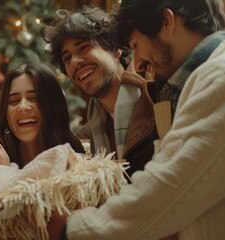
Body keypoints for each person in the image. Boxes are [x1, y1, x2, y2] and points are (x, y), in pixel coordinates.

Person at [48, 0, 225, 239]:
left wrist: (72, 229)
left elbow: (170, 188)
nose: (138, 62)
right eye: (67, 58)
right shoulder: (192, 85)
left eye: (136, 45)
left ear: (167, 22)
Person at [42, 6, 157, 175]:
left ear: (116, 49)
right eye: (67, 58)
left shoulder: (153, 97)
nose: (74, 61)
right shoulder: (88, 136)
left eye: (83, 47)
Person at [0, 63, 85, 168]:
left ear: (53, 106)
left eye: (34, 98)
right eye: (14, 100)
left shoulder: (78, 164)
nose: (23, 107)